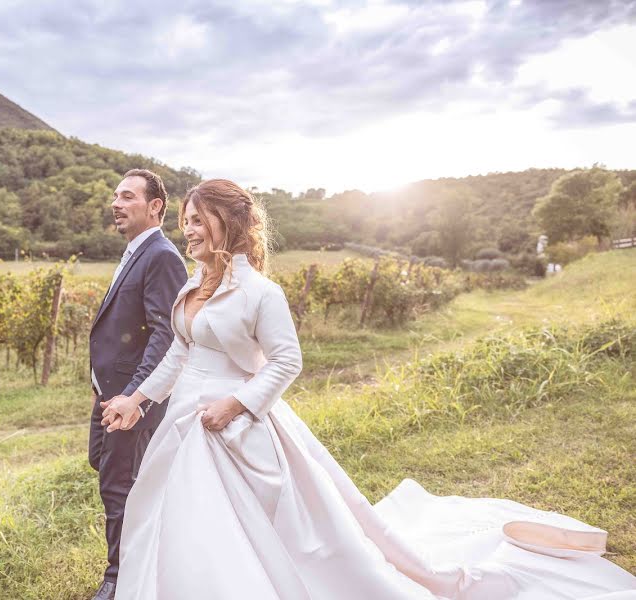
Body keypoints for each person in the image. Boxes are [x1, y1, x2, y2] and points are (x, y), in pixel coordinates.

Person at [100, 179, 636, 599]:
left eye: (197, 221)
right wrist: (137, 399)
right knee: (173, 523)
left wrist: (237, 403)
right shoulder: (193, 285)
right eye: (185, 221)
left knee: (276, 538)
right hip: (183, 425)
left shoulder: (262, 293)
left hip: (235, 428)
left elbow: (287, 360)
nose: (187, 230)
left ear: (226, 223)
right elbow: (179, 352)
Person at [87, 169, 188, 600]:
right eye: (115, 195)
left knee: (119, 484)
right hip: (110, 392)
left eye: (127, 196)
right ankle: (146, 552)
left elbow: (167, 334)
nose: (116, 202)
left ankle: (120, 577)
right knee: (105, 467)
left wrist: (135, 397)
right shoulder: (135, 252)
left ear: (155, 207)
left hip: (132, 397)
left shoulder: (162, 256)